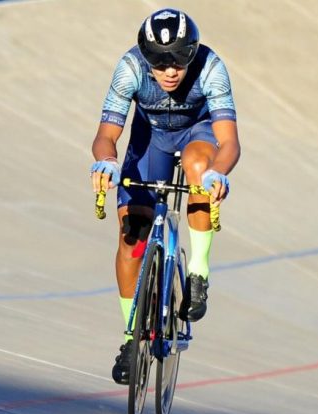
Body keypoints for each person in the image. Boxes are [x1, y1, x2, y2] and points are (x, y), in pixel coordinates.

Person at [89, 8, 240, 385]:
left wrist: (218, 172)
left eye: (179, 59)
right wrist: (106, 162)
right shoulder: (130, 67)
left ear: (193, 52)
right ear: (145, 56)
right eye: (159, 61)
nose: (170, 70)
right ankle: (130, 335)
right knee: (131, 237)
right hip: (150, 138)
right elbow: (107, 134)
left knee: (198, 169)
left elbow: (229, 141)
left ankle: (198, 271)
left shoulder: (211, 67)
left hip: (197, 133)